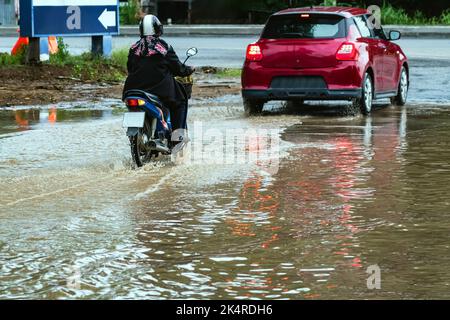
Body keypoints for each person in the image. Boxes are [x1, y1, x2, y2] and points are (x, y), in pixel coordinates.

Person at [122, 14, 195, 135]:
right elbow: (179, 69)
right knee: (180, 101)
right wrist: (189, 69)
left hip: (132, 90)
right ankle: (178, 137)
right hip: (158, 90)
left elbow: (130, 68)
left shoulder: (133, 48)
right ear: (158, 29)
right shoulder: (164, 47)